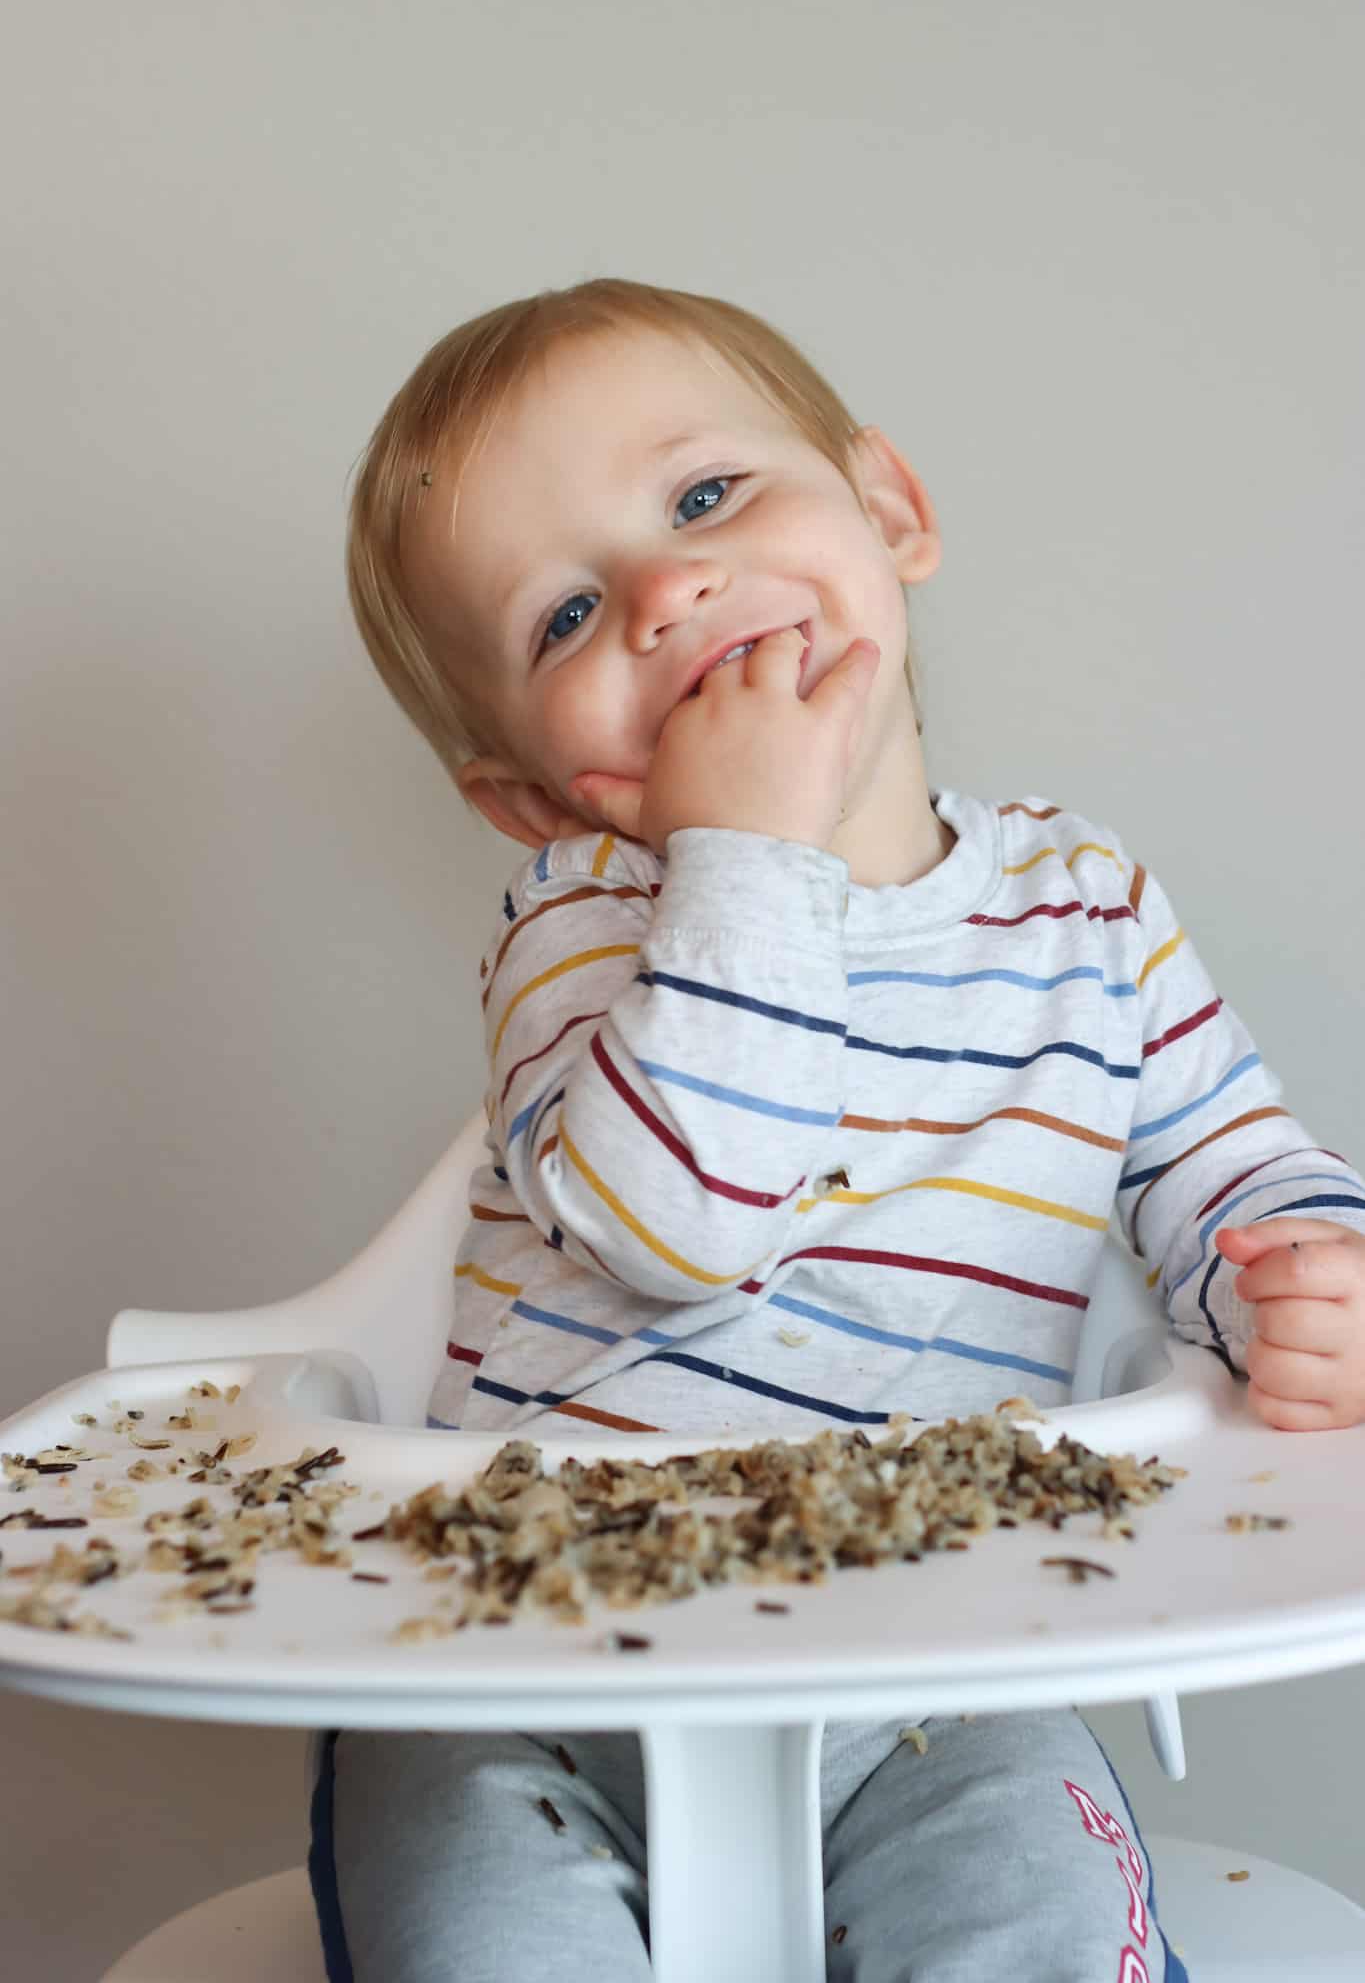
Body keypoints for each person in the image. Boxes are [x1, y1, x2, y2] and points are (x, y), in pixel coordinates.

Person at [307, 278, 1365, 1981]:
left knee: (1043, 1929)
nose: (668, 592)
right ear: (526, 788)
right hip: (508, 1663)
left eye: (707, 497)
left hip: (932, 1654)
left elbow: (1227, 1170)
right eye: (568, 615)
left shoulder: (1086, 912)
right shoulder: (579, 923)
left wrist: (1308, 1283)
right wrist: (746, 863)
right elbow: (681, 1224)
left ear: (889, 513)